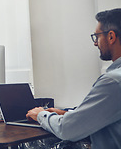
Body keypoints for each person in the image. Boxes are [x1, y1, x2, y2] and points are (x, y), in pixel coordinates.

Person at [26, 8, 121, 148]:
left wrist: (40, 114)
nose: (95, 43)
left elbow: (67, 130)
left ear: (111, 37)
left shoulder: (113, 81)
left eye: (97, 36)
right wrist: (67, 113)